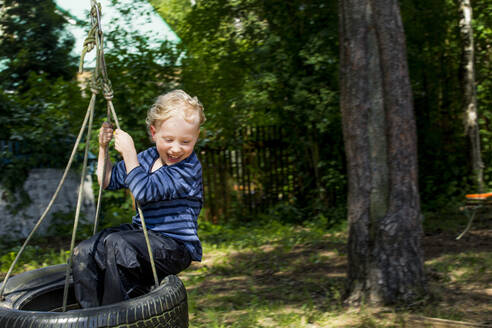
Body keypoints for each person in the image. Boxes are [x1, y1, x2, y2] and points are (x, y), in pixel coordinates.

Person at [72, 89, 205, 308]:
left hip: (175, 246)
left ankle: (115, 318)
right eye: (169, 139)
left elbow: (144, 190)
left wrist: (129, 153)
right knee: (86, 250)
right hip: (142, 236)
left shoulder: (188, 169)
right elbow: (107, 182)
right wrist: (103, 149)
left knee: (118, 245)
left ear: (196, 137)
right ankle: (91, 317)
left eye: (185, 142)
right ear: (154, 133)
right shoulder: (148, 157)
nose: (175, 148)